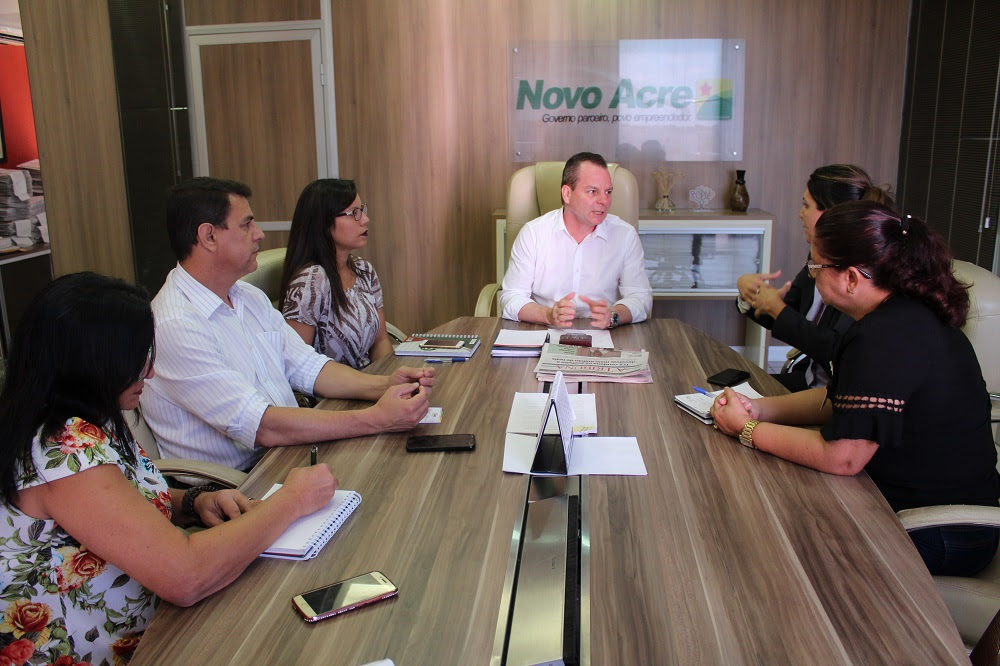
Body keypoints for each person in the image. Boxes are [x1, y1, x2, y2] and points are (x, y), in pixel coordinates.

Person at [0, 272, 338, 664]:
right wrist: (293, 501)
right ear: (93, 363)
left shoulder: (88, 415)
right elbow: (187, 576)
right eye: (137, 359)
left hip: (161, 625)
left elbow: (117, 504)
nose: (150, 372)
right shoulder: (61, 448)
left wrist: (192, 502)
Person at [711, 201, 1000, 576]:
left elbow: (843, 457)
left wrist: (746, 429)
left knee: (777, 536)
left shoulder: (885, 336)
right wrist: (762, 409)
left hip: (943, 530)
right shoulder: (899, 314)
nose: (811, 275)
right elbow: (844, 402)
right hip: (908, 503)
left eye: (816, 266)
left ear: (850, 278)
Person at [140, 177, 434, 473]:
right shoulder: (175, 324)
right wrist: (376, 419)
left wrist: (386, 385)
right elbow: (261, 426)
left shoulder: (248, 296)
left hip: (289, 453)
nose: (259, 234)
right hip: (239, 482)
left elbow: (308, 366)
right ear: (209, 236)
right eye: (246, 224)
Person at [736, 165, 894, 391]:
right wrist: (750, 295)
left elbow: (836, 349)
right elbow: (789, 313)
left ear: (830, 214)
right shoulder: (819, 258)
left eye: (806, 205)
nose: (800, 213)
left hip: (829, 395)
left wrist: (778, 309)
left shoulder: (859, 277)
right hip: (810, 383)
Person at [499, 152, 653, 329]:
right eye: (593, 192)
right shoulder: (533, 234)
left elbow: (640, 297)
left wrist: (613, 316)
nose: (604, 201)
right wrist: (548, 315)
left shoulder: (625, 235)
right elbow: (511, 296)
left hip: (604, 334)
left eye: (608, 192)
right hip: (543, 330)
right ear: (567, 194)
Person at [279, 179, 391, 369]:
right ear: (323, 222)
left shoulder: (364, 270)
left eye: (362, 210)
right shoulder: (310, 282)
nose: (365, 219)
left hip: (371, 381)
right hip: (333, 387)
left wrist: (389, 378)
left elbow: (381, 341)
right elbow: (297, 365)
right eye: (353, 213)